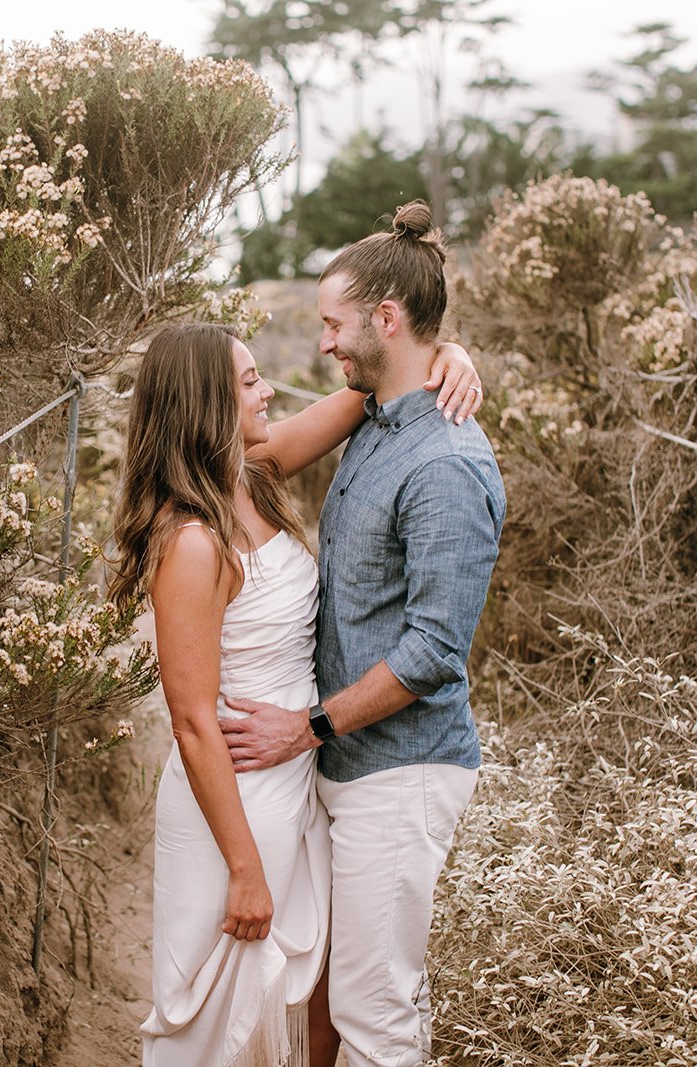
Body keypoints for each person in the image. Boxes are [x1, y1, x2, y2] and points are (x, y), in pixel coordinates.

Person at [110, 319, 482, 1066]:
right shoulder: (190, 539)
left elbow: (366, 388)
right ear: (206, 403)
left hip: (299, 777)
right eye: (249, 381)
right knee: (219, 1017)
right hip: (233, 800)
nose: (269, 388)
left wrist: (444, 355)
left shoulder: (250, 475)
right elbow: (190, 722)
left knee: (308, 988)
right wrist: (243, 867)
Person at [221, 201, 506, 1067]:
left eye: (335, 325)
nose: (324, 347)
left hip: (403, 769)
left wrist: (302, 727)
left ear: (386, 319)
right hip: (349, 764)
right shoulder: (377, 417)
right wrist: (441, 355)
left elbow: (430, 653)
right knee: (327, 996)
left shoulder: (447, 464)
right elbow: (261, 450)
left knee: (376, 1013)